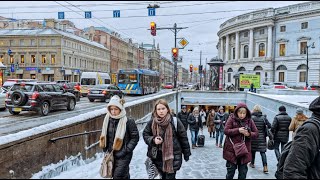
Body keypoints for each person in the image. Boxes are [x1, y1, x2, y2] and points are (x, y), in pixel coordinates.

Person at [143, 99, 191, 179]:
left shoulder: (175, 121)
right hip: (157, 157)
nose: (161, 111)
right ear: (155, 110)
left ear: (167, 109)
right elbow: (145, 134)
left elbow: (183, 138)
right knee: (162, 177)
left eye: (163, 108)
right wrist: (153, 140)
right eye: (158, 109)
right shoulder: (152, 122)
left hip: (172, 157)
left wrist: (186, 154)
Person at [99, 95, 139, 179]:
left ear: (120, 109)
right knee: (121, 175)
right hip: (111, 154)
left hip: (124, 155)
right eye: (111, 109)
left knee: (118, 176)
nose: (113, 112)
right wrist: (105, 149)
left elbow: (135, 138)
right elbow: (105, 135)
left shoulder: (128, 121)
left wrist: (126, 150)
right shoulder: (107, 120)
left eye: (116, 109)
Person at [283, 96, 320, 179]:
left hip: (296, 139)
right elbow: (293, 171)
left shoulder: (296, 119)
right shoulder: (310, 128)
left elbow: (290, 128)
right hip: (303, 141)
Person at [223, 102, 259, 179]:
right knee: (230, 173)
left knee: (242, 174)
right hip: (232, 151)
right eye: (240, 113)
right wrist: (238, 130)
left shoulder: (250, 121)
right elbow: (226, 131)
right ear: (237, 112)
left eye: (244, 113)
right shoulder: (231, 118)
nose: (242, 115)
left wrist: (249, 134)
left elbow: (256, 134)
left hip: (244, 151)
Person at [249, 104, 271, 174]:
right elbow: (270, 126)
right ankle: (265, 167)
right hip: (262, 138)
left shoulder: (251, 118)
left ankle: (252, 163)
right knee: (263, 152)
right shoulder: (264, 118)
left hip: (253, 137)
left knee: (253, 151)